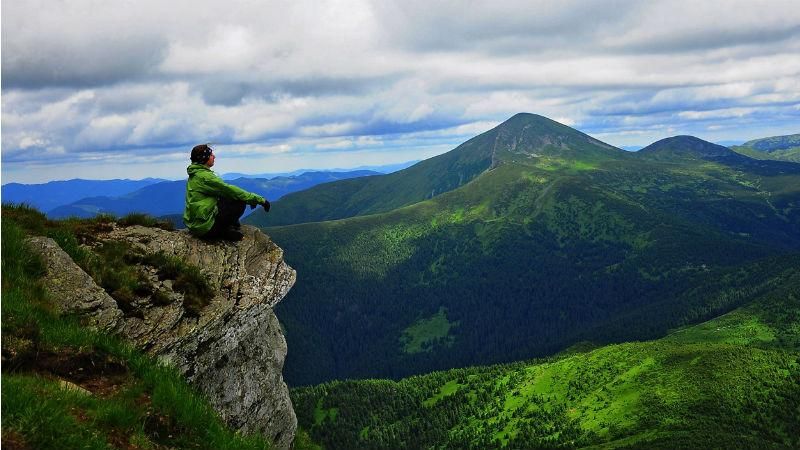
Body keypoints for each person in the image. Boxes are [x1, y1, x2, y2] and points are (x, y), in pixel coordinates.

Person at [183, 144, 270, 241]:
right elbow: (230, 190)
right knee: (239, 201)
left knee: (226, 197)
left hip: (195, 224)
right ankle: (223, 231)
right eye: (211, 155)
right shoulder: (205, 177)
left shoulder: (195, 174)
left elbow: (224, 192)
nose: (214, 157)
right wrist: (258, 200)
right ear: (204, 158)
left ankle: (228, 226)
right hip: (205, 228)